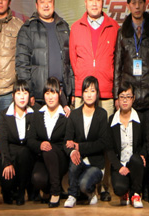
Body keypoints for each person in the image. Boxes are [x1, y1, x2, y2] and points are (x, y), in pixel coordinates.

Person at [69, 0, 118, 202]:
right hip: (83, 92)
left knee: (105, 142)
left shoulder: (113, 26)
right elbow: (73, 60)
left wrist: (113, 89)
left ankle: (103, 186)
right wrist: (80, 84)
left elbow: (117, 59)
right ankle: (83, 186)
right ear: (85, 2)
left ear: (103, 2)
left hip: (106, 92)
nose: (94, 3)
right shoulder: (76, 27)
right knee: (80, 140)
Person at [16, 0, 73, 111]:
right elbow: (22, 64)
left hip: (61, 94)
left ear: (54, 4)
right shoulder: (28, 28)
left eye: (49, 1)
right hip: (38, 96)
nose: (46, 5)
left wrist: (71, 90)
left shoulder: (63, 27)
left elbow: (71, 62)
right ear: (36, 5)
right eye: (42, 1)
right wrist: (28, 92)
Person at [114, 0, 149, 112]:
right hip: (129, 95)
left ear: (145, 5)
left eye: (140, 2)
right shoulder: (122, 33)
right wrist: (116, 96)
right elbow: (117, 67)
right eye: (133, 3)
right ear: (128, 6)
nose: (137, 6)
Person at [63, 76, 110, 208]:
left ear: (97, 93)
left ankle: (90, 193)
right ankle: (72, 195)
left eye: (92, 91)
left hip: (96, 163)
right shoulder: (74, 115)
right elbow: (67, 141)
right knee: (74, 160)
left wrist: (79, 147)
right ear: (82, 94)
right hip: (80, 160)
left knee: (84, 184)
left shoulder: (102, 114)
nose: (89, 95)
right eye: (86, 91)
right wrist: (72, 151)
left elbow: (102, 143)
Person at [27, 77, 69, 208]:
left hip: (60, 158)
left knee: (49, 150)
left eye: (53, 93)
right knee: (37, 178)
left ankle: (55, 191)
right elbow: (30, 140)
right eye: (47, 93)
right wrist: (40, 145)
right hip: (42, 157)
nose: (50, 97)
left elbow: (67, 141)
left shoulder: (66, 116)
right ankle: (47, 190)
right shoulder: (37, 115)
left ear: (59, 94)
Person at [107, 80, 146, 208]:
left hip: (135, 164)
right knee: (119, 189)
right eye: (122, 97)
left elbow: (146, 142)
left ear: (133, 99)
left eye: (128, 97)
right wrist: (119, 167)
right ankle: (125, 192)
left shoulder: (140, 118)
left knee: (136, 159)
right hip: (121, 164)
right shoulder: (112, 120)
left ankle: (136, 194)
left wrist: (143, 155)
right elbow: (109, 149)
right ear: (117, 99)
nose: (125, 100)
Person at [0, 80, 35, 206]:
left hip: (26, 156)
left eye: (25, 93)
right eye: (18, 93)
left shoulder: (34, 113)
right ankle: (9, 190)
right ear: (13, 96)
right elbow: (3, 140)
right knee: (7, 182)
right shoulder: (4, 114)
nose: (22, 97)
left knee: (24, 153)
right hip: (11, 155)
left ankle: (21, 191)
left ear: (29, 96)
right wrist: (7, 162)